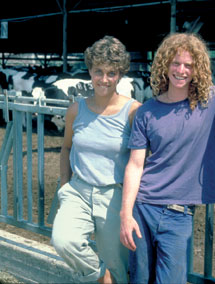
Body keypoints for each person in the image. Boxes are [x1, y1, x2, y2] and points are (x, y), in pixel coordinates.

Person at [118, 32, 215, 283]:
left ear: (197, 69)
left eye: (189, 65)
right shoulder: (146, 112)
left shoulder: (213, 99)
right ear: (165, 64)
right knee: (140, 279)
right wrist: (125, 213)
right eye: (176, 63)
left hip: (179, 213)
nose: (181, 70)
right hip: (143, 208)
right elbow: (135, 164)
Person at [51, 35, 142, 283]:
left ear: (120, 74)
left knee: (119, 267)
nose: (104, 79)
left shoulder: (133, 111)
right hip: (78, 190)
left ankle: (111, 275)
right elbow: (66, 148)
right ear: (89, 71)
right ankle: (101, 277)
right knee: (63, 240)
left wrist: (130, 207)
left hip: (114, 195)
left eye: (111, 73)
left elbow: (142, 160)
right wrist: (65, 188)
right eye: (98, 71)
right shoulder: (75, 110)